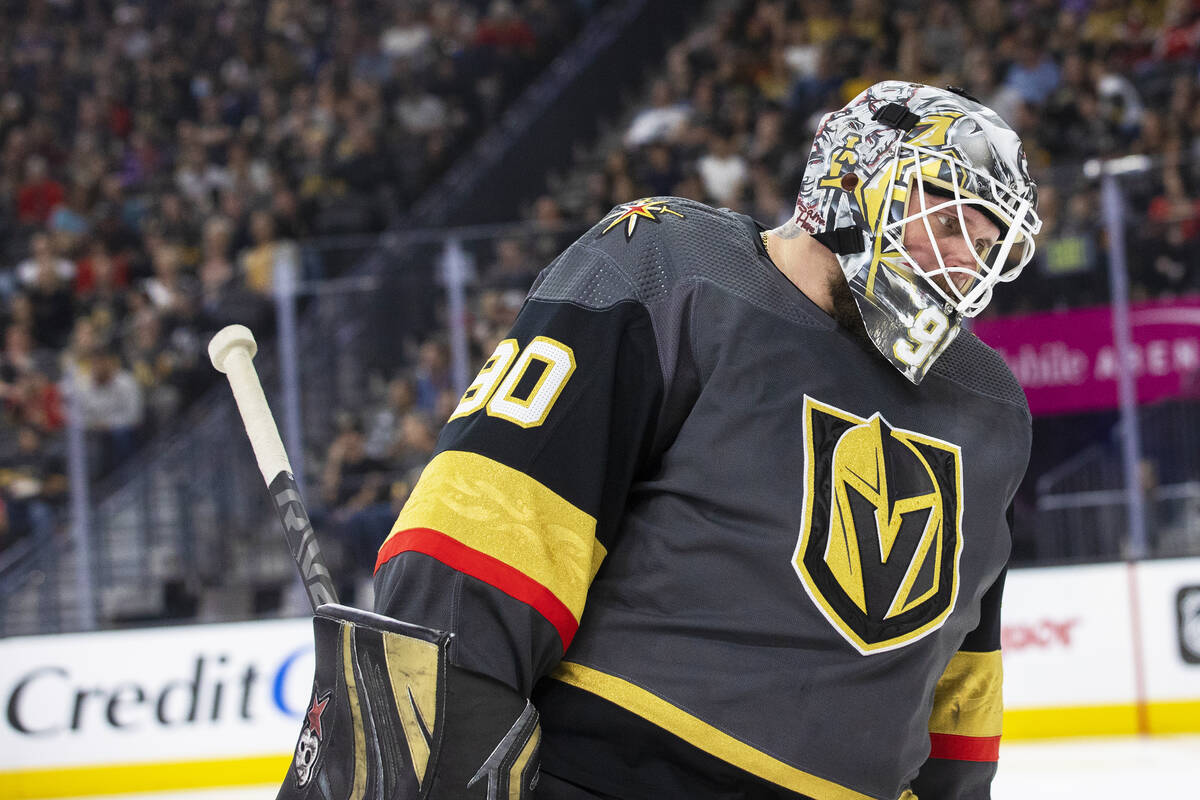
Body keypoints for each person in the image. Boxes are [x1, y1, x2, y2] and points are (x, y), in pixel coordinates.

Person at [276, 82, 1041, 800]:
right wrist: (432, 743)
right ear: (849, 180)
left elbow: (963, 686)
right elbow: (486, 533)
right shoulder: (673, 267)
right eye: (947, 223)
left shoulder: (986, 403)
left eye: (987, 242)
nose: (965, 263)